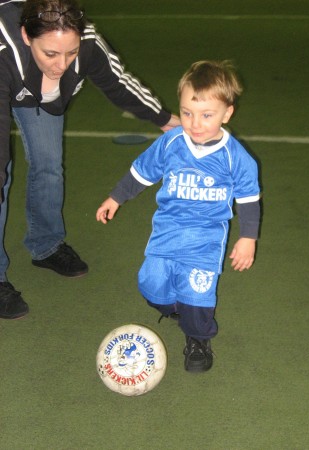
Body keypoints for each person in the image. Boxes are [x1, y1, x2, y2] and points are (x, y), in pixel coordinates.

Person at [0, 0, 180, 320]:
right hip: (7, 75)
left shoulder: (88, 43)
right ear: (27, 36)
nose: (61, 65)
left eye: (70, 53)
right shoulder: (5, 52)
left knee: (49, 165)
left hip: (40, 92)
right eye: (51, 54)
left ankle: (46, 246)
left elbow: (119, 84)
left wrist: (166, 119)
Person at [96, 60, 261, 373]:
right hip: (167, 234)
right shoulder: (171, 142)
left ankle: (198, 338)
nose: (195, 123)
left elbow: (249, 199)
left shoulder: (235, 157)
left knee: (198, 299)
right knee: (151, 285)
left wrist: (247, 237)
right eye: (187, 113)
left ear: (227, 114)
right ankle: (178, 309)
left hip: (205, 241)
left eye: (206, 115)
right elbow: (142, 171)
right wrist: (116, 197)